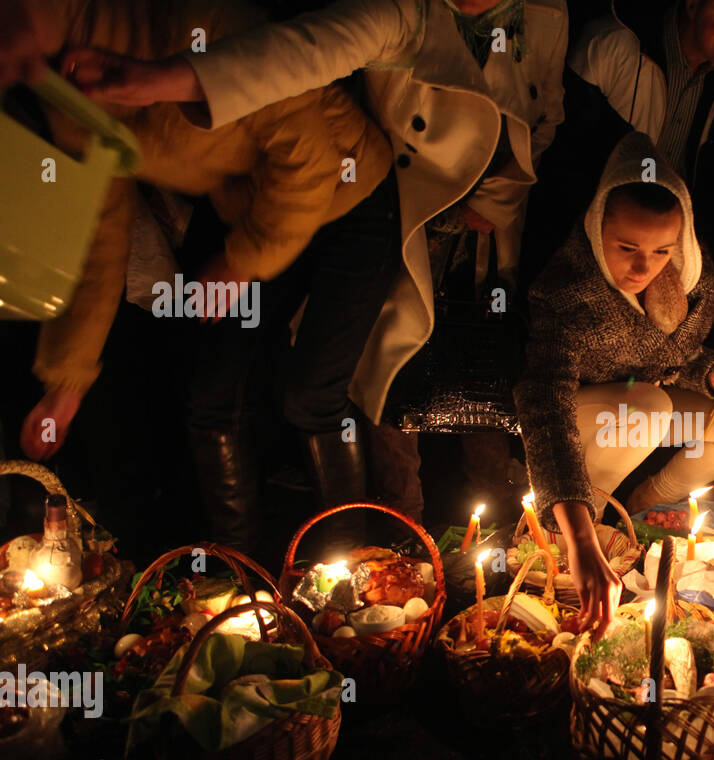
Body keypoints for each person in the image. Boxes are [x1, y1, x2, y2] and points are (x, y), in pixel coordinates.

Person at [63, 0, 568, 524]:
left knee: (376, 385)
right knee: (232, 388)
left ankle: (374, 560)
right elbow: (303, 53)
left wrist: (498, 196)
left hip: (383, 203)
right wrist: (66, 380)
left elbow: (545, 112)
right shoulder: (405, 13)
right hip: (300, 205)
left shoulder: (543, 15)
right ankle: (251, 567)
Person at [13, 0, 394, 554]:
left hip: (347, 188)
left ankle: (352, 574)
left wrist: (239, 265)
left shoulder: (192, 25)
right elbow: (101, 230)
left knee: (311, 395)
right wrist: (66, 384)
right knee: (211, 394)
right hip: (246, 206)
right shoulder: (61, 88)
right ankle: (237, 578)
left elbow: (307, 162)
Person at [516, 132, 714, 629]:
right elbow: (544, 406)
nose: (643, 267)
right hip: (585, 412)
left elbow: (674, 356)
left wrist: (711, 371)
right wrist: (580, 539)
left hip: (641, 403)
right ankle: (580, 535)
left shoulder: (688, 280)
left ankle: (641, 504)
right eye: (627, 247)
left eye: (660, 251)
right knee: (648, 407)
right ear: (596, 228)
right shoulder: (565, 291)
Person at [527, 0, 714, 274]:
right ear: (692, 5)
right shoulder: (614, 46)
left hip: (666, 252)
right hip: (590, 244)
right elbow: (563, 160)